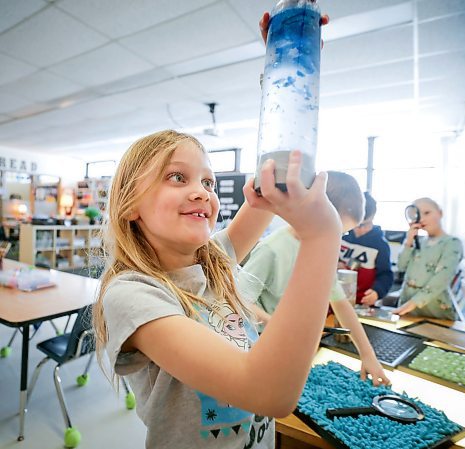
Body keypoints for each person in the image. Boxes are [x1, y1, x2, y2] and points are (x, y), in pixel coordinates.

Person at [92, 128, 342, 449]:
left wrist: (281, 154)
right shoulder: (132, 295)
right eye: (178, 177)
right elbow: (268, 393)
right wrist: (322, 238)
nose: (201, 192)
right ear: (129, 204)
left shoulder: (213, 260)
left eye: (207, 182)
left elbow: (263, 196)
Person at [239, 172, 390, 386]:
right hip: (258, 345)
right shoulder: (272, 249)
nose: (335, 238)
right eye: (334, 228)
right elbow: (237, 299)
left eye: (341, 233)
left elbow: (341, 304)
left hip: (291, 347)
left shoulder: (322, 251)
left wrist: (368, 356)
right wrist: (274, 324)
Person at [393, 197, 463, 320]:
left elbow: (442, 278)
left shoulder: (452, 243)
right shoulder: (418, 242)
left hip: (436, 315)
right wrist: (408, 240)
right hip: (408, 312)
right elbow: (401, 266)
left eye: (427, 213)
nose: (423, 218)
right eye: (418, 215)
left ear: (440, 213)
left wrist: (413, 303)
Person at [339, 192, 393, 306]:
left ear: (373, 218)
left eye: (366, 225)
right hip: (337, 298)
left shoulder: (380, 245)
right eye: (357, 225)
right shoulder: (342, 237)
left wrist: (377, 292)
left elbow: (386, 275)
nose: (360, 230)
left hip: (362, 302)